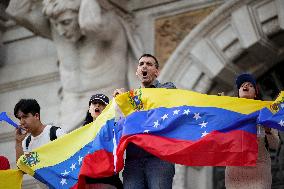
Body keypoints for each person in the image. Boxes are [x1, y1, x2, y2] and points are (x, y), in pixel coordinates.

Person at [6, 0, 142, 131]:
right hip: (68, 114)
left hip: (106, 109)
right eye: (56, 24)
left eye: (66, 22)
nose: (61, 30)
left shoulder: (109, 25)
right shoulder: (58, 29)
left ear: (80, 12)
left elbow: (90, 23)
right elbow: (16, 10)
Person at [113, 54, 176, 189]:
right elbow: (123, 125)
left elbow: (154, 103)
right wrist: (121, 104)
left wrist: (127, 99)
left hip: (159, 159)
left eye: (149, 64)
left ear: (156, 72)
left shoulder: (168, 88)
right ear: (137, 72)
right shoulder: (130, 99)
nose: (144, 66)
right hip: (133, 161)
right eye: (141, 64)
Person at [225, 73, 280, 189]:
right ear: (239, 93)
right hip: (235, 169)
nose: (245, 86)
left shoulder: (266, 112)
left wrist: (268, 130)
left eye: (250, 85)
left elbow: (275, 145)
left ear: (255, 93)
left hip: (259, 167)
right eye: (242, 85)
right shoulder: (229, 113)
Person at [83, 94, 123, 189]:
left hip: (109, 182)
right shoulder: (81, 133)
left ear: (107, 109)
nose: (97, 106)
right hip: (88, 183)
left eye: (101, 104)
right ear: (89, 109)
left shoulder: (113, 127)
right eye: (94, 103)